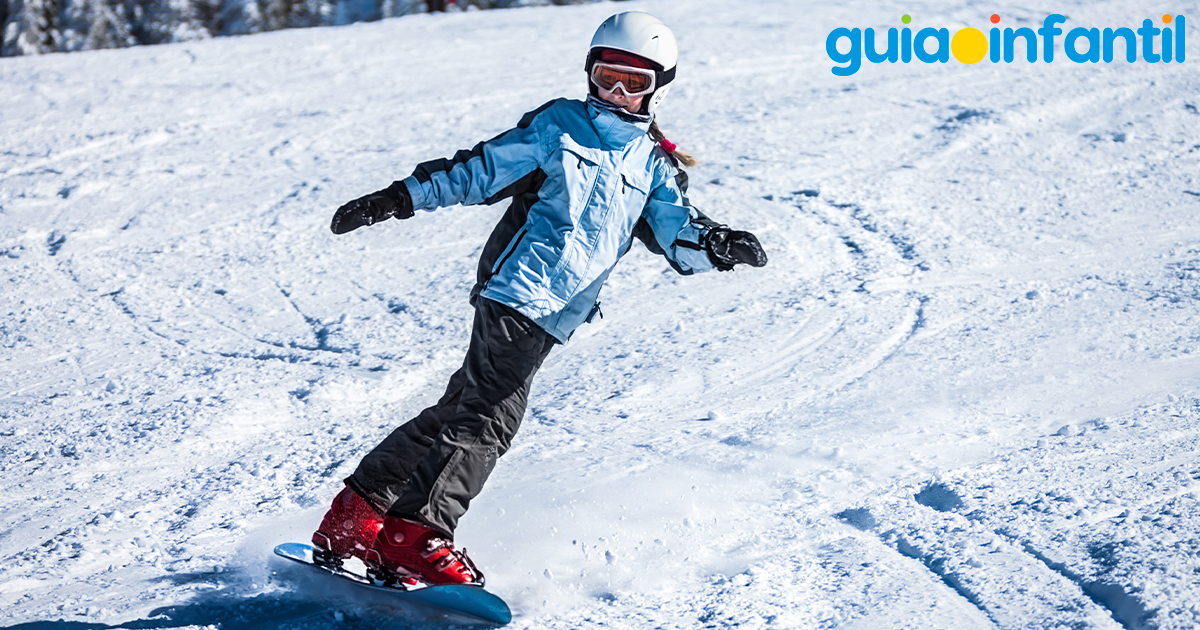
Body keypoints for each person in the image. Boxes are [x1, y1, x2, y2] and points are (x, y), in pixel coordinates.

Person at [310, 11, 768, 587]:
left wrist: (719, 245)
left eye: (634, 83)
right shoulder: (560, 126)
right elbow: (477, 171)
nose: (618, 93)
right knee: (488, 417)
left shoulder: (654, 163)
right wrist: (398, 197)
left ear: (659, 87)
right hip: (518, 291)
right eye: (607, 78)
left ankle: (358, 515)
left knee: (460, 410)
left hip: (557, 312)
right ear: (589, 74)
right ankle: (417, 533)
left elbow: (677, 231)